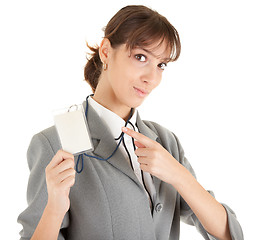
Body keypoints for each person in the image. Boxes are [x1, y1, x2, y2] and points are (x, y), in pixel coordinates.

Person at [17, 5, 244, 240]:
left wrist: (178, 175)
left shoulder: (165, 141)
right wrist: (54, 209)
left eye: (161, 65)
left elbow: (230, 234)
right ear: (106, 51)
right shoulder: (54, 144)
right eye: (140, 57)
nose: (152, 78)